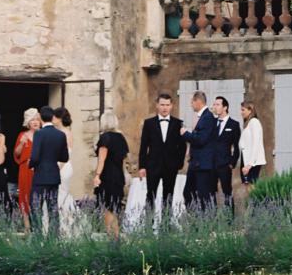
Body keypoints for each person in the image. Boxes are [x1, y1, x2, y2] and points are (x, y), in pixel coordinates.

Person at [137, 92, 185, 221]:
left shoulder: (178, 123)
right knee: (150, 195)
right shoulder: (149, 123)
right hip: (153, 165)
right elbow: (143, 146)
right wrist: (142, 166)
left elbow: (182, 146)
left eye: (167, 105)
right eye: (162, 104)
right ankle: (148, 225)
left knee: (168, 196)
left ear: (171, 106)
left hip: (171, 166)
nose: (165, 108)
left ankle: (166, 226)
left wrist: (179, 163)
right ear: (157, 105)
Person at [28, 105, 69, 234]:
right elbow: (65, 157)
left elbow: (34, 156)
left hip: (40, 176)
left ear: (40, 118)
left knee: (36, 208)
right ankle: (53, 237)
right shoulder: (61, 134)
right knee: (53, 209)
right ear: (52, 117)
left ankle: (38, 237)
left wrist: (30, 164)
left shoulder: (39, 134)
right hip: (53, 175)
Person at [93, 110, 129, 238]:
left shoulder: (105, 138)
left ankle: (111, 234)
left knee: (108, 207)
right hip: (118, 175)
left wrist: (97, 175)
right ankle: (116, 234)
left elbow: (102, 159)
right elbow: (124, 160)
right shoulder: (121, 138)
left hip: (107, 175)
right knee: (115, 206)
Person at [181, 91, 218, 211]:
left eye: (192, 101)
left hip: (203, 164)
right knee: (188, 193)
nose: (191, 104)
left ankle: (206, 224)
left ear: (198, 101)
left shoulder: (208, 117)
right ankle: (195, 222)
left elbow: (201, 140)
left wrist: (185, 134)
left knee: (204, 197)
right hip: (196, 163)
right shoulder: (203, 117)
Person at [211, 94, 242, 209]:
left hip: (225, 164)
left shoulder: (234, 125)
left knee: (227, 191)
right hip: (211, 163)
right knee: (211, 192)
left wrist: (232, 163)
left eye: (217, 104)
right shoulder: (212, 123)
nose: (215, 106)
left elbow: (237, 146)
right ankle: (211, 218)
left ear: (225, 107)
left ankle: (229, 219)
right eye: (214, 104)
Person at [14, 107, 40, 230]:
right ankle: (27, 227)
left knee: (38, 196)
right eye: (32, 119)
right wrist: (21, 143)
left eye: (37, 119)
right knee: (24, 195)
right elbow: (17, 154)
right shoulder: (22, 135)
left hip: (39, 170)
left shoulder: (42, 135)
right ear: (28, 122)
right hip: (25, 170)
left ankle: (38, 225)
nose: (35, 122)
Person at [53, 106, 75, 218]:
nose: (52, 118)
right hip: (61, 165)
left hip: (63, 166)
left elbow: (67, 153)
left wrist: (57, 168)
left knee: (61, 193)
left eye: (54, 116)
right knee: (59, 194)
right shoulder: (61, 132)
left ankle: (65, 221)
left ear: (59, 118)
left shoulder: (65, 133)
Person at [239, 101, 265, 189]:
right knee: (248, 186)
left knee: (252, 186)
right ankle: (251, 203)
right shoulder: (249, 123)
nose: (241, 112)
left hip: (252, 162)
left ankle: (255, 203)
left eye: (243, 110)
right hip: (246, 159)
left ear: (250, 110)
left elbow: (256, 144)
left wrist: (249, 164)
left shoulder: (254, 122)